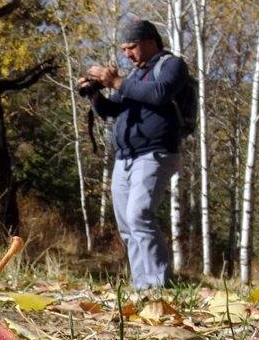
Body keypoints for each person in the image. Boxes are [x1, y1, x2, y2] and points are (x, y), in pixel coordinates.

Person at [79, 19, 189, 290]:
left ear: (150, 42)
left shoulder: (171, 65)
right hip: (125, 158)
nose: (127, 54)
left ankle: (158, 286)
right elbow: (111, 111)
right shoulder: (135, 76)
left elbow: (160, 94)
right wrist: (94, 95)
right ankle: (143, 285)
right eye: (124, 49)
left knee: (140, 215)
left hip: (155, 154)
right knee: (128, 224)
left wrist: (115, 81)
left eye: (132, 47)